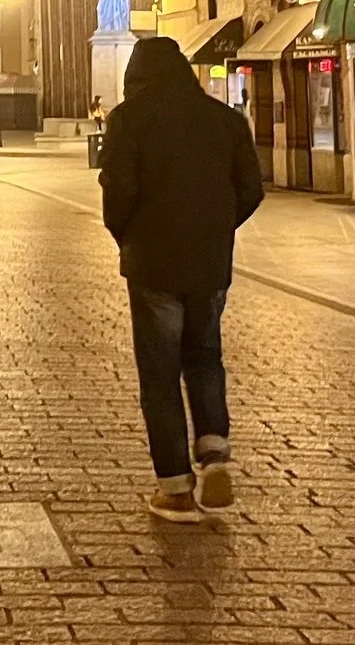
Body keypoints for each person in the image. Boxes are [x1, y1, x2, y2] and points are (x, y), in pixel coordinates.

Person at [98, 35, 265, 523]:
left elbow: (118, 193)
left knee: (160, 371)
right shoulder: (226, 120)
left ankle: (174, 488)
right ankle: (214, 450)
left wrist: (129, 234)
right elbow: (251, 189)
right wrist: (216, 228)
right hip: (209, 261)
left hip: (153, 261)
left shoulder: (129, 120)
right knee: (206, 356)